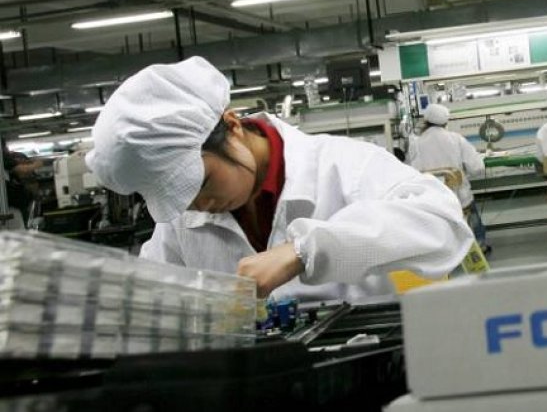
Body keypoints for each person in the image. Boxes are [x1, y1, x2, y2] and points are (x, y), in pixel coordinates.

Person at [85, 57, 474, 301]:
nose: (198, 206)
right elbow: (153, 295)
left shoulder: (342, 166)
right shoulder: (180, 224)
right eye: (177, 197)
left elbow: (443, 224)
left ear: (232, 125)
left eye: (199, 183)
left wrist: (305, 251)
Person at [406, 103, 490, 253]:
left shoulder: (416, 144)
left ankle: (445, 252)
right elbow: (477, 168)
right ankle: (479, 245)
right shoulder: (456, 139)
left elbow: (413, 173)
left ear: (426, 121)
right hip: (459, 200)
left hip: (431, 201)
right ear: (446, 122)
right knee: (470, 210)